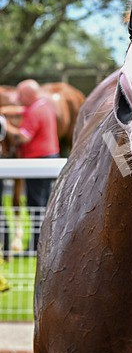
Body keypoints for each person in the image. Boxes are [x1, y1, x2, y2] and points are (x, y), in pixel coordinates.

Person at [0, 80, 59, 252]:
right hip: (48, 159)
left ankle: (36, 246)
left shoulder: (35, 112)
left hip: (38, 161)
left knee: (36, 204)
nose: (17, 98)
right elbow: (20, 110)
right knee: (44, 202)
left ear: (28, 95)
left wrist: (6, 125)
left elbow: (23, 137)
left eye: (20, 95)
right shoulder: (44, 105)